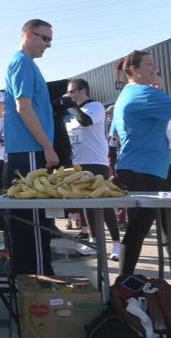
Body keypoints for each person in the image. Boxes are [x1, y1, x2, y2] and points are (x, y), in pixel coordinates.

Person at [111, 51, 171, 275]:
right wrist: (161, 90)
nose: (155, 68)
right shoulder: (144, 93)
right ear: (133, 70)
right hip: (145, 170)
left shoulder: (127, 94)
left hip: (141, 168)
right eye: (149, 64)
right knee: (138, 230)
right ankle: (123, 284)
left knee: (170, 230)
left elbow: (116, 132)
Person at [3, 19, 57, 275]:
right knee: (34, 225)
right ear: (27, 35)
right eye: (44, 38)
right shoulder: (22, 63)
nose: (48, 45)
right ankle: (39, 281)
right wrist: (47, 146)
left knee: (31, 224)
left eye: (50, 40)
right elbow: (23, 107)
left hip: (28, 151)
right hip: (29, 152)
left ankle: (30, 281)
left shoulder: (26, 64)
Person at [63, 78, 122, 260]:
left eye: (73, 91)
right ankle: (93, 240)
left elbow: (86, 121)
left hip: (96, 162)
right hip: (78, 162)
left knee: (103, 204)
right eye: (69, 92)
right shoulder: (71, 115)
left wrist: (72, 106)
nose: (70, 95)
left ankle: (116, 244)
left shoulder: (95, 106)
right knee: (86, 203)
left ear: (83, 91)